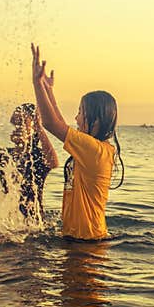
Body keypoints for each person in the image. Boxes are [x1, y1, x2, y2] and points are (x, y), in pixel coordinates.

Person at [30, 43, 123, 240]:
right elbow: (60, 122)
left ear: (95, 121)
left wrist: (37, 85)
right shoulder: (92, 148)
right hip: (79, 241)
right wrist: (48, 90)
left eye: (81, 113)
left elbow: (51, 123)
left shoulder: (95, 151)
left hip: (87, 244)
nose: (76, 118)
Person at [0, 103, 59, 221]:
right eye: (14, 123)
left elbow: (53, 162)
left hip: (33, 221)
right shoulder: (3, 155)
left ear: (34, 128)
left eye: (22, 123)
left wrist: (39, 127)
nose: (16, 128)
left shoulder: (35, 157)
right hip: (9, 221)